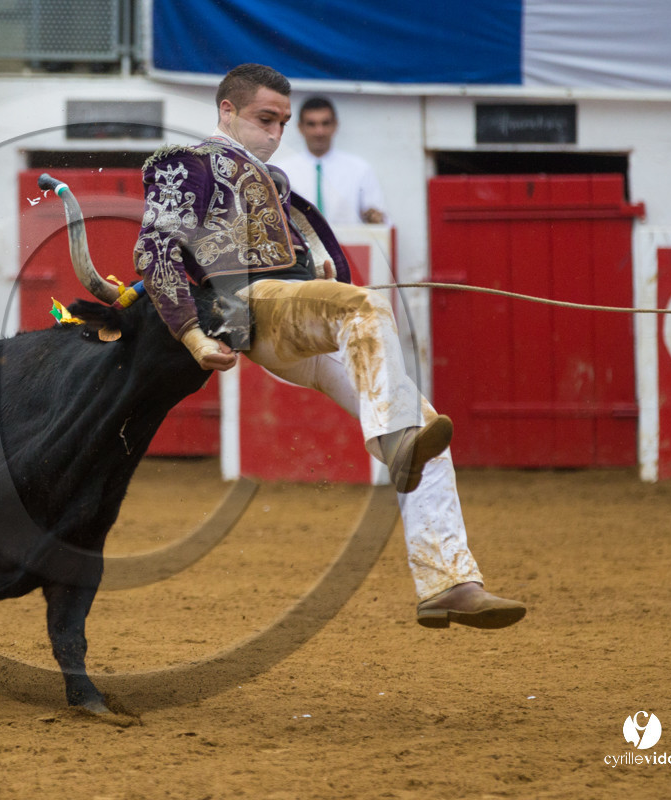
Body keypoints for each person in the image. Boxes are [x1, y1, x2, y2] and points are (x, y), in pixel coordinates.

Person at [133, 63, 525, 629]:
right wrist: (193, 335)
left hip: (311, 318)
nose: (277, 132)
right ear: (226, 110)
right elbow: (155, 251)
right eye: (265, 118)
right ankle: (395, 444)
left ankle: (450, 583)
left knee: (428, 429)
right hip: (254, 305)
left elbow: (321, 257)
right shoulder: (186, 164)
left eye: (283, 122)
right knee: (364, 308)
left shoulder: (278, 181)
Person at [272, 95, 388, 225]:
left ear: (335, 125)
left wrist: (375, 218)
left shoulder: (360, 169)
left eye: (325, 123)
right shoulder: (282, 171)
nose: (319, 131)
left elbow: (380, 222)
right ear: (300, 127)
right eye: (311, 124)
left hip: (347, 244)